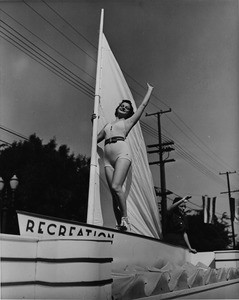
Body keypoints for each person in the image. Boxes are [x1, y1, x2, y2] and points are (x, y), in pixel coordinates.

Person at [95, 83, 154, 231]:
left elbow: (142, 106)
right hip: (108, 158)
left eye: (127, 108)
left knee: (116, 186)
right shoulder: (107, 125)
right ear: (118, 107)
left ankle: (125, 219)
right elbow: (95, 139)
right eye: (123, 106)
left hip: (122, 153)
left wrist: (149, 90)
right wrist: (93, 121)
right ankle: (119, 225)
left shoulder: (128, 122)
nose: (124, 108)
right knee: (114, 194)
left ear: (129, 113)